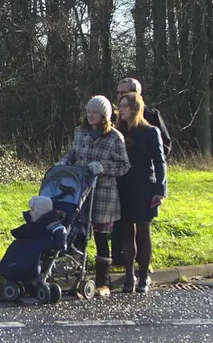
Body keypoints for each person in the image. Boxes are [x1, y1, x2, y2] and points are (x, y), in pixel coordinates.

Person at [58, 95, 130, 295]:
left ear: (104, 115)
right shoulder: (80, 132)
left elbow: (124, 166)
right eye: (88, 111)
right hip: (80, 191)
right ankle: (76, 274)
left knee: (100, 237)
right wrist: (64, 163)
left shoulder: (115, 137)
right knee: (78, 233)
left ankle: (102, 281)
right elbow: (73, 153)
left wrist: (103, 167)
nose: (90, 115)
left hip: (103, 194)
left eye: (95, 112)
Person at [112, 77, 170, 280]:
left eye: (125, 106)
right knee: (126, 232)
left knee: (143, 232)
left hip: (145, 187)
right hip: (123, 187)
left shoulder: (151, 131)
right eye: (119, 106)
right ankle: (129, 275)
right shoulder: (117, 132)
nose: (120, 109)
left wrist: (160, 190)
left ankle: (144, 275)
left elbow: (160, 161)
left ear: (135, 107)